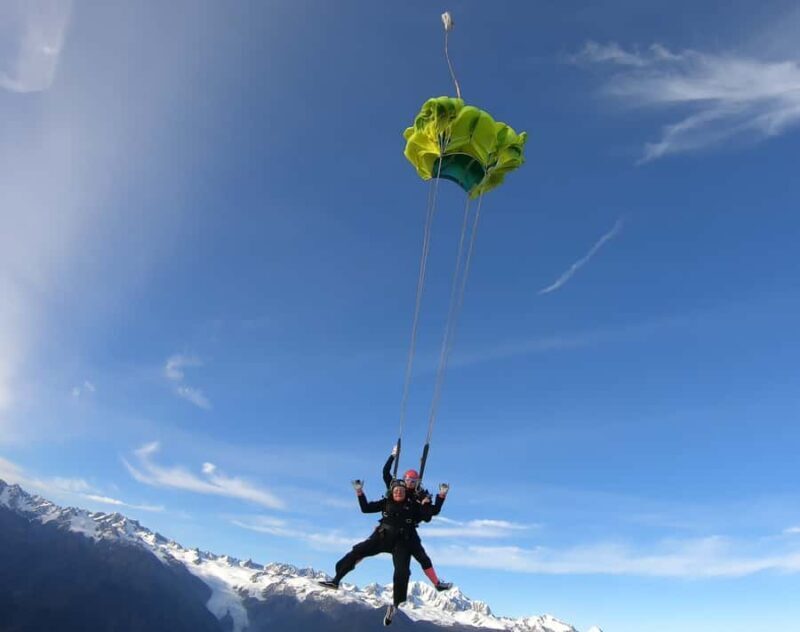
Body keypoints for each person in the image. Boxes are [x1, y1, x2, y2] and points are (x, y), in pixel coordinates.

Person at [319, 479, 433, 626]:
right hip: (382, 537)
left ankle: (395, 605)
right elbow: (365, 508)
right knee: (357, 551)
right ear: (392, 492)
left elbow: (427, 517)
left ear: (406, 493)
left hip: (401, 543)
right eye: (396, 490)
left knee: (402, 572)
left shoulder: (411, 506)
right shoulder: (385, 502)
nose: (399, 492)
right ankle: (336, 580)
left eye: (402, 491)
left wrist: (426, 502)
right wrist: (359, 492)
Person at [382, 446, 452, 591]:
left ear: (417, 482)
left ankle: (437, 583)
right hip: (393, 525)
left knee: (423, 558)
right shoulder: (397, 488)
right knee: (366, 548)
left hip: (409, 529)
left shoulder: (419, 495)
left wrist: (440, 496)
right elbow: (385, 473)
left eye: (413, 481)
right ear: (404, 479)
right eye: (408, 480)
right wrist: (393, 456)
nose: (410, 483)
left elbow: (432, 513)